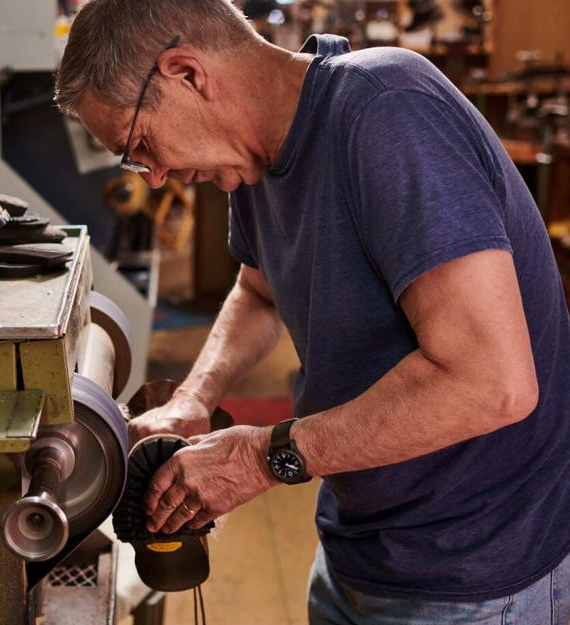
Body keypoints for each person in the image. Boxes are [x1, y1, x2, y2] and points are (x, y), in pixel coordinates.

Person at [55, 1, 570, 623]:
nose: (156, 176)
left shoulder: (389, 112)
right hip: (360, 543)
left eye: (140, 145)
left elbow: (492, 383)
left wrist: (258, 458)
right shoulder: (253, 157)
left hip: (474, 573)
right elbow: (258, 291)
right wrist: (196, 395)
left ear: (187, 73)